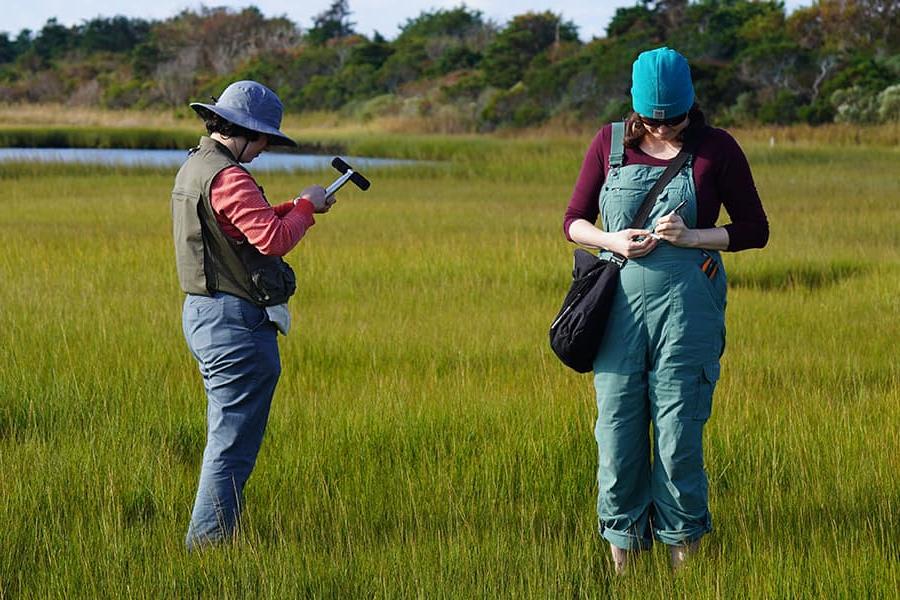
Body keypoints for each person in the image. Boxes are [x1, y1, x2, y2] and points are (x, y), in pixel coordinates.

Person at [562, 48, 768, 572]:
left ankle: (686, 570)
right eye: (653, 120)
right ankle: (624, 570)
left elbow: (754, 229)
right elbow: (572, 221)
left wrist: (694, 234)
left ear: (690, 105)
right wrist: (612, 239)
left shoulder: (717, 148)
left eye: (673, 118)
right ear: (635, 109)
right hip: (618, 316)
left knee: (678, 442)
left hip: (687, 314)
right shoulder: (607, 143)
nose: (663, 127)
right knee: (617, 440)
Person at [171, 80, 336, 550]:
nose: (264, 148)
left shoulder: (195, 166)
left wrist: (297, 208)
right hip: (233, 323)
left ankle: (211, 540)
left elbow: (236, 225)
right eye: (263, 138)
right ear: (241, 130)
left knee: (226, 437)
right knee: (232, 446)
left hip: (202, 312)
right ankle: (207, 547)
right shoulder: (229, 176)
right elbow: (272, 240)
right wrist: (305, 206)